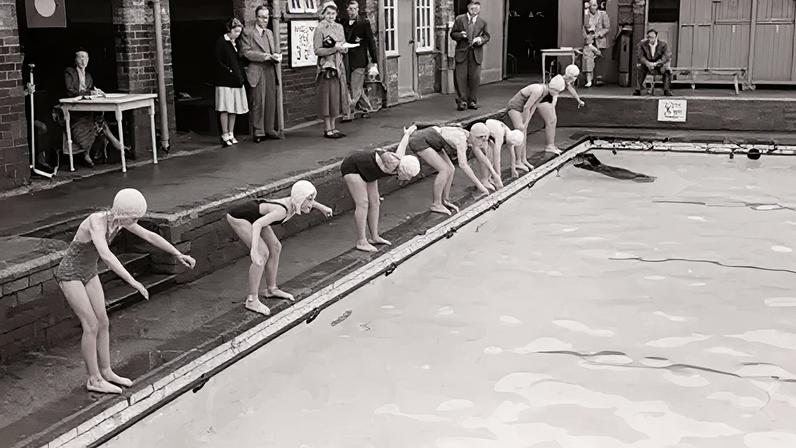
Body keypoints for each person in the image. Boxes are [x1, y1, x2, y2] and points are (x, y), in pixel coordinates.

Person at [55, 189, 196, 394]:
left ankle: (106, 371)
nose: (136, 221)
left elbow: (149, 235)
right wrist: (133, 281)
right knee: (91, 325)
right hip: (70, 274)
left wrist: (177, 253)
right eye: (134, 217)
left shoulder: (120, 222)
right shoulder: (96, 221)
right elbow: (106, 255)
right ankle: (94, 379)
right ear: (123, 212)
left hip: (88, 272)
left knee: (103, 322)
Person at [226, 180, 334, 315]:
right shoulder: (282, 211)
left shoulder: (295, 203)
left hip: (256, 215)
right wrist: (254, 250)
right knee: (262, 253)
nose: (312, 204)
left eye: (312, 199)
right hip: (240, 217)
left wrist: (322, 208)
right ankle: (252, 300)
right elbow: (257, 225)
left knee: (275, 247)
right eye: (309, 200)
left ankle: (271, 289)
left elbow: (307, 199)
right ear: (300, 199)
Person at [341, 125, 421, 252]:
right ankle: (361, 241)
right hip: (353, 167)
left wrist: (407, 133)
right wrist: (382, 154)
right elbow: (382, 154)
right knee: (363, 203)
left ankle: (374, 237)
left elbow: (402, 146)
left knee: (375, 202)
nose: (407, 179)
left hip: (368, 171)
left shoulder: (399, 160)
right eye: (407, 176)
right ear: (403, 170)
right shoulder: (392, 164)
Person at [407, 121, 499, 215]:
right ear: (476, 137)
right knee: (444, 170)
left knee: (451, 169)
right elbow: (463, 165)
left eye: (485, 140)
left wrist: (494, 173)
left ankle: (445, 200)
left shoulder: (468, 136)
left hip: (434, 140)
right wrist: (480, 186)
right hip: (420, 140)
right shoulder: (461, 140)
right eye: (482, 140)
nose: (482, 143)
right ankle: (436, 204)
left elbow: (481, 156)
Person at [64, 49, 128, 168]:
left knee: (100, 121)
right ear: (75, 60)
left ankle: (111, 146)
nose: (83, 60)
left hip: (86, 109)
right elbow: (70, 91)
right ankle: (116, 145)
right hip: (74, 110)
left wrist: (96, 92)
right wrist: (90, 92)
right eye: (80, 57)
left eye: (85, 57)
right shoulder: (70, 73)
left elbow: (88, 91)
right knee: (98, 123)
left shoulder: (88, 76)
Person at [504, 74, 568, 171]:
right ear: (553, 89)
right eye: (557, 92)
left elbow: (534, 106)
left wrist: (527, 121)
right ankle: (518, 162)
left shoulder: (545, 92)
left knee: (524, 133)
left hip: (523, 108)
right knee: (520, 132)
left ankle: (523, 159)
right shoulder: (539, 90)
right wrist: (524, 123)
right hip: (515, 107)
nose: (557, 94)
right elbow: (527, 107)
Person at [239, 5, 282, 142]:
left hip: (270, 69)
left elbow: (274, 49)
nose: (265, 20)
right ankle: (258, 131)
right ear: (256, 17)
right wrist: (264, 56)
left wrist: (276, 56)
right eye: (262, 17)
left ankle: (269, 129)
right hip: (257, 69)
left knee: (270, 100)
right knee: (258, 101)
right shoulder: (248, 33)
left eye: (266, 17)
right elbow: (245, 52)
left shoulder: (269, 33)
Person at [314, 1, 349, 139]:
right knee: (327, 98)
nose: (331, 16)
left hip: (338, 66)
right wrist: (334, 49)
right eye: (328, 13)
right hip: (326, 67)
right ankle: (327, 128)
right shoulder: (320, 29)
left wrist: (344, 48)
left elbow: (344, 45)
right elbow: (317, 50)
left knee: (335, 98)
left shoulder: (339, 27)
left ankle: (334, 127)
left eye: (333, 13)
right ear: (323, 14)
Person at [214, 18, 249, 147]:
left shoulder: (237, 44)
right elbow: (218, 61)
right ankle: (224, 134)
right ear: (230, 29)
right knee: (225, 108)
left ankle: (231, 133)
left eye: (239, 32)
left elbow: (239, 61)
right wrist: (228, 71)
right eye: (235, 31)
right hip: (225, 81)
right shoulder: (221, 42)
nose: (237, 34)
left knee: (233, 108)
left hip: (236, 80)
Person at [450, 0, 490, 111]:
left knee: (474, 78)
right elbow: (452, 34)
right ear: (468, 7)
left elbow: (487, 36)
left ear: (479, 9)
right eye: (472, 8)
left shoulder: (482, 22)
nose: (474, 11)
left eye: (477, 9)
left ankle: (472, 101)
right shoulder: (459, 19)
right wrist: (460, 35)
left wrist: (480, 39)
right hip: (462, 52)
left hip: (475, 53)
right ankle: (462, 101)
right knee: (460, 77)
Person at [342, 0, 378, 122]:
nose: (352, 11)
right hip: (346, 59)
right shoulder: (343, 23)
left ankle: (349, 113)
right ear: (347, 10)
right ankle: (366, 108)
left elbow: (371, 43)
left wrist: (374, 61)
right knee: (354, 86)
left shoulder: (364, 23)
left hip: (359, 60)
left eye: (354, 9)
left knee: (355, 87)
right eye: (350, 9)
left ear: (358, 10)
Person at [483, 118, 525, 183]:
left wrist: (513, 168)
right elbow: (497, 157)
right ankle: (487, 179)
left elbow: (512, 152)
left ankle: (490, 176)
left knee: (491, 152)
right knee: (490, 157)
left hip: (490, 130)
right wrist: (498, 175)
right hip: (482, 129)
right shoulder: (500, 137)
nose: (511, 145)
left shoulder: (509, 132)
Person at [634, 29, 673, 97]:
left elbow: (666, 56)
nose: (650, 39)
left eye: (652, 37)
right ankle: (638, 89)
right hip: (647, 64)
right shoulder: (642, 44)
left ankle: (667, 89)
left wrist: (657, 63)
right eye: (649, 37)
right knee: (640, 68)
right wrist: (647, 63)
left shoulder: (663, 44)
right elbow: (640, 56)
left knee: (667, 70)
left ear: (656, 37)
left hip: (659, 64)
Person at [583, 0, 610, 85]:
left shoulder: (603, 14)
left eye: (595, 5)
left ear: (597, 6)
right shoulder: (586, 14)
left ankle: (599, 78)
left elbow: (607, 28)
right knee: (588, 59)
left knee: (600, 59)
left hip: (600, 40)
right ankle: (589, 80)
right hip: (589, 40)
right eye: (591, 5)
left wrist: (598, 34)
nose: (593, 7)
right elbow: (584, 26)